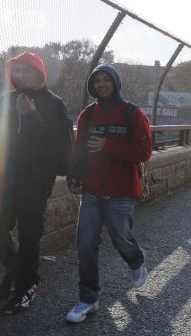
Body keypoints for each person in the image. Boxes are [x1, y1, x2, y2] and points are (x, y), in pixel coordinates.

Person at [0, 52, 71, 315]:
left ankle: (26, 287)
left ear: (40, 73)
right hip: (4, 180)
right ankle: (16, 269)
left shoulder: (55, 105)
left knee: (29, 237)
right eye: (17, 71)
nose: (20, 76)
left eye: (26, 70)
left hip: (35, 182)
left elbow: (57, 151)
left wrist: (30, 116)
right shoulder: (6, 101)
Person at [65, 65, 153, 323]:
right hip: (91, 190)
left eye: (107, 80)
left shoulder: (132, 113)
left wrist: (108, 146)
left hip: (121, 191)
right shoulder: (88, 115)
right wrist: (74, 176)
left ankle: (137, 260)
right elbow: (80, 149)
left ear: (116, 83)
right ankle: (88, 299)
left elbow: (144, 152)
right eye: (97, 81)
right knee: (85, 244)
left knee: (121, 239)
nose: (102, 85)